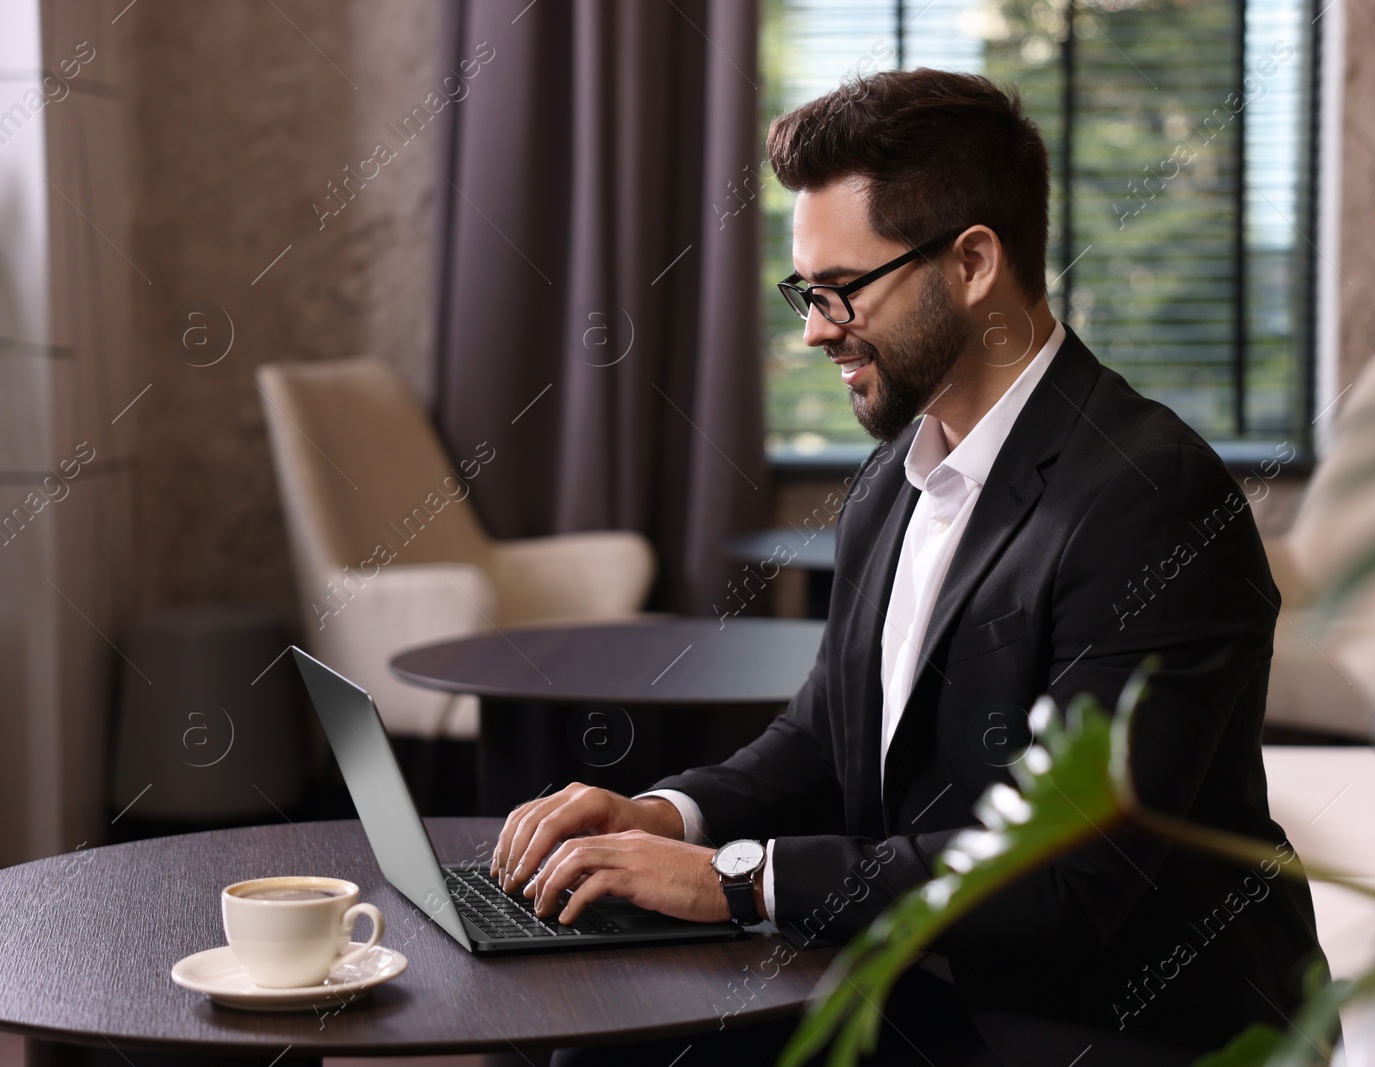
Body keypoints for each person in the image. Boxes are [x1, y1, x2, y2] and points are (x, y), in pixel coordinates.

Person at [492, 68, 1329, 1066]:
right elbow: (821, 737)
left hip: (1113, 1023)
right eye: (804, 290)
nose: (812, 328)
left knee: (606, 1047)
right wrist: (666, 813)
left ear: (972, 261)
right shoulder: (895, 477)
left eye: (841, 289)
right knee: (569, 1004)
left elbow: (1066, 877)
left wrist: (731, 877)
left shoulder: (1150, 497)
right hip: (928, 978)